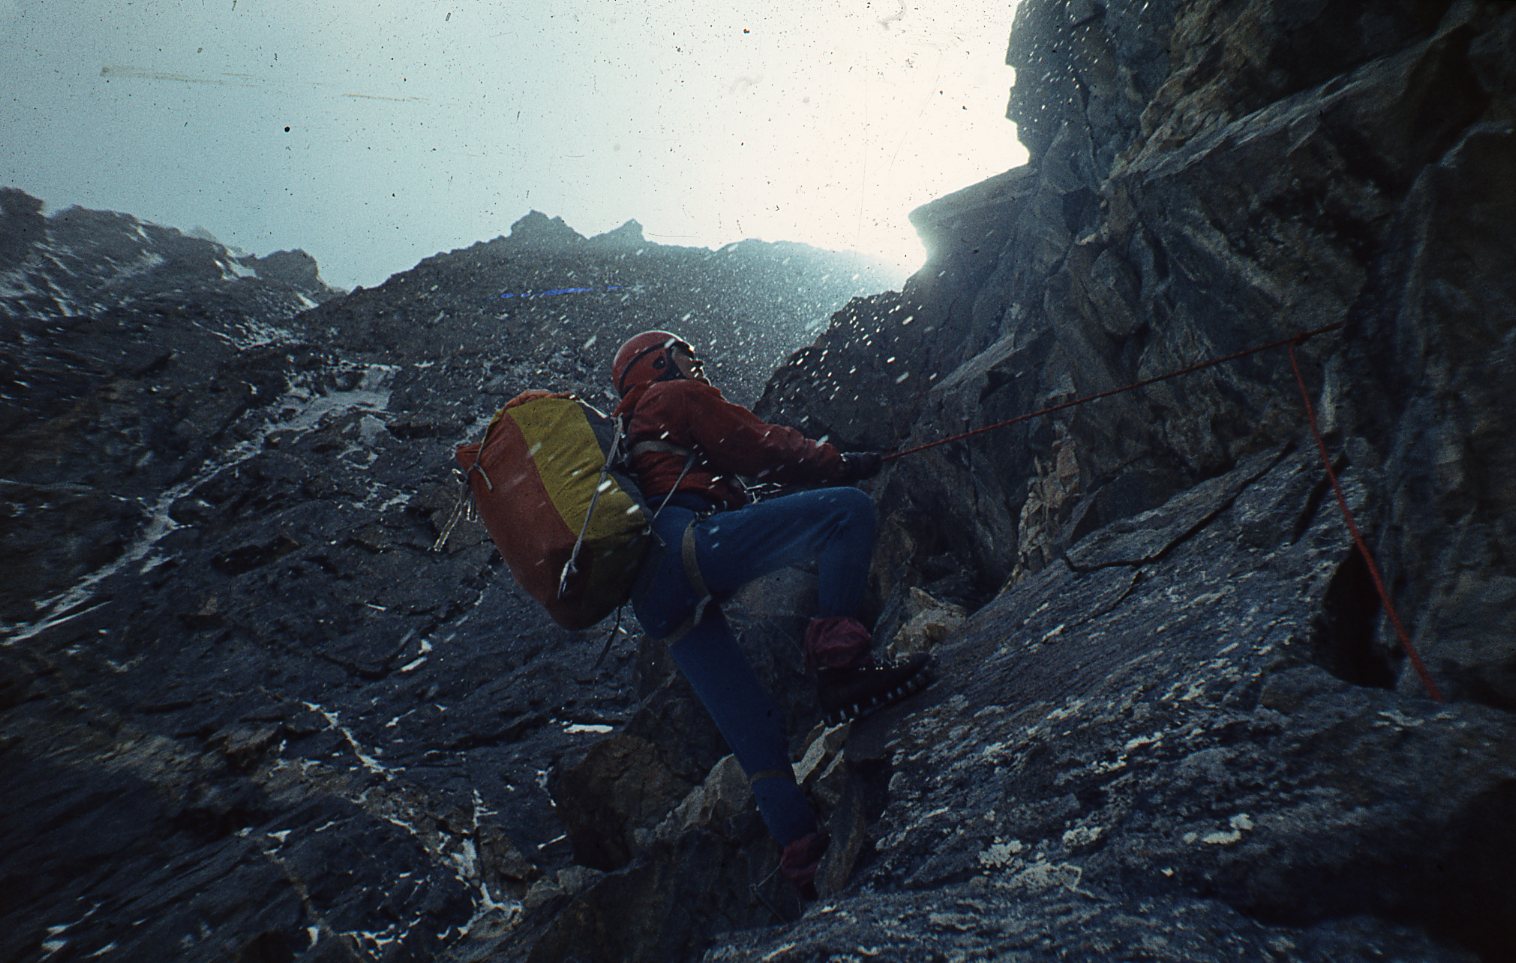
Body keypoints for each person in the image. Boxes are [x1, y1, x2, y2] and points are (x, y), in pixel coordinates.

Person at [611, 329, 933, 898]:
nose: (697, 365)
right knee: (848, 514)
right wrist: (838, 462)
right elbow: (760, 446)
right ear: (656, 362)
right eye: (686, 355)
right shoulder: (672, 397)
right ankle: (841, 669)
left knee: (753, 726)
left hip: (655, 595)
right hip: (688, 545)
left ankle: (804, 860)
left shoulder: (629, 433)